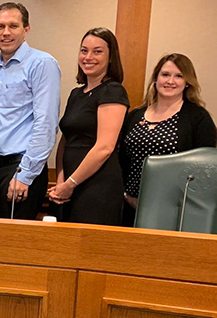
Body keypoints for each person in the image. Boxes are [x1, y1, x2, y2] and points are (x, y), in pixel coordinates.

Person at [0, 2, 62, 219]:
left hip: (20, 169)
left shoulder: (42, 63)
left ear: (26, 30)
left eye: (13, 26)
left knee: (10, 247)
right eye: (0, 27)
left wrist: (25, 175)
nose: (6, 32)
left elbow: (45, 124)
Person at [120, 53, 216, 222]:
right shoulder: (135, 116)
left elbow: (205, 169)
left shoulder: (198, 118)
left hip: (176, 212)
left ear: (187, 82)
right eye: (165, 75)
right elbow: (121, 160)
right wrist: (126, 195)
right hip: (130, 206)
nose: (170, 81)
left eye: (179, 76)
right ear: (156, 78)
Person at [48, 27, 129, 225]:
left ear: (111, 57)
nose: (88, 57)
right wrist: (61, 181)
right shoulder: (76, 94)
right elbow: (66, 140)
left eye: (97, 51)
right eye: (84, 50)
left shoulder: (113, 91)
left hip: (97, 186)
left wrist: (71, 183)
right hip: (67, 186)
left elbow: (105, 147)